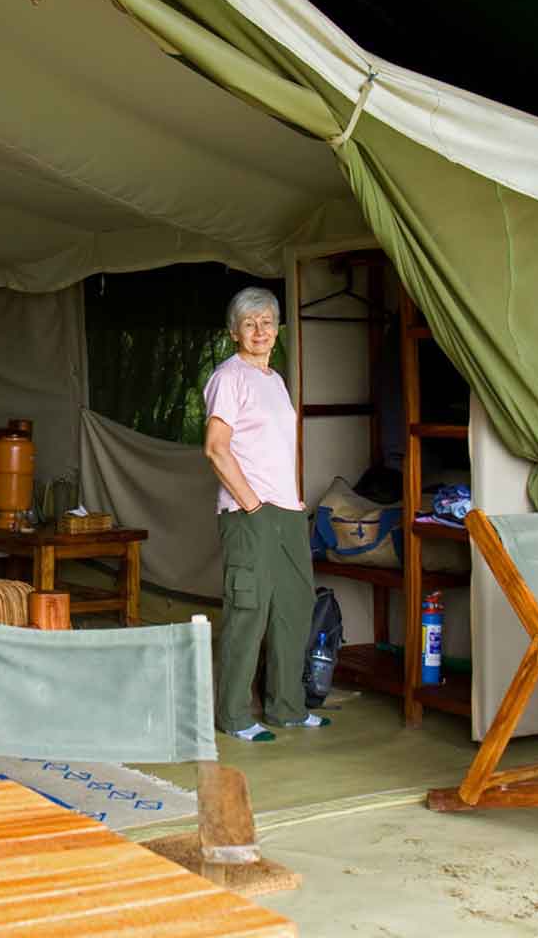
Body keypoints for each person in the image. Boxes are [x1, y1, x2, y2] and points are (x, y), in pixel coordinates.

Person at [203, 286, 329, 742]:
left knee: (293, 607)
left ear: (277, 330)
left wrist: (284, 505)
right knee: (248, 610)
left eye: (267, 322)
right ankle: (234, 715)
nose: (259, 331)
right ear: (234, 331)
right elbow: (216, 450)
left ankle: (287, 708)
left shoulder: (274, 381)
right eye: (249, 323)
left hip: (288, 511)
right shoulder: (228, 377)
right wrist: (252, 504)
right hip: (248, 511)